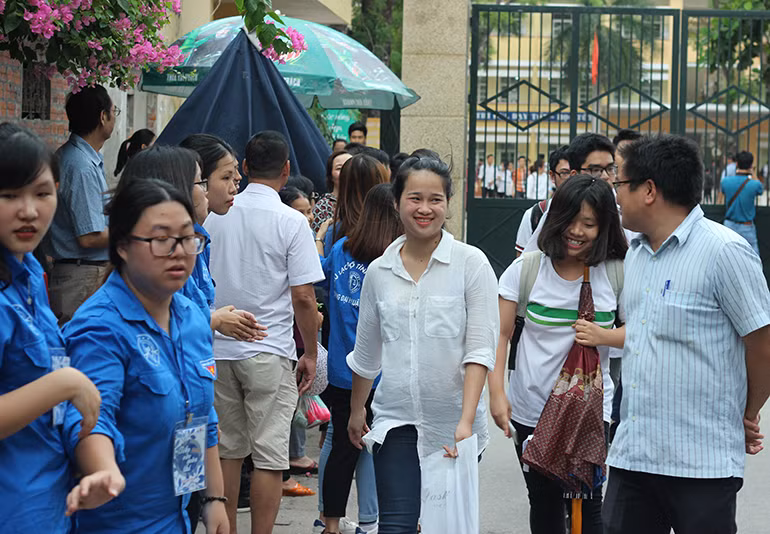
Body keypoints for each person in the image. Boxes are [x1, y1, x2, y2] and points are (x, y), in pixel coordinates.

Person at [605, 135, 770, 534]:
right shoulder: (637, 253)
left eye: (619, 185)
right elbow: (644, 336)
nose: (616, 196)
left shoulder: (724, 252)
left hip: (701, 465)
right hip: (634, 457)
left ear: (648, 190)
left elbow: (762, 344)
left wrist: (745, 412)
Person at [62, 178, 228, 533]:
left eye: (187, 238)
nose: (179, 251)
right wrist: (104, 470)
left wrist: (213, 499)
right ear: (122, 246)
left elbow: (201, 417)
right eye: (160, 240)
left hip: (177, 517)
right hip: (116, 522)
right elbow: (92, 419)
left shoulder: (189, 315)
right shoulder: (99, 330)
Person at [347, 156, 499, 533]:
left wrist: (465, 423)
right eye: (415, 198)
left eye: (436, 199)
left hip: (454, 426)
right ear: (397, 202)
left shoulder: (471, 264)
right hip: (396, 419)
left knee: (442, 526)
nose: (425, 209)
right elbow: (367, 353)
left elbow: (480, 350)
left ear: (448, 204)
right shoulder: (380, 272)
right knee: (395, 525)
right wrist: (355, 411)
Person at [0, 125, 122, 533]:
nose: (29, 211)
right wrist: (64, 384)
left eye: (42, 193)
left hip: (52, 504)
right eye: (9, 196)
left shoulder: (29, 270)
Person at [491, 175, 628, 534]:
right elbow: (500, 335)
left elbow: (644, 331)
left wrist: (605, 335)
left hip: (590, 412)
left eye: (589, 224)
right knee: (545, 501)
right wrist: (497, 394)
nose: (577, 231)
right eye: (570, 220)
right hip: (532, 408)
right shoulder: (527, 270)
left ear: (604, 227)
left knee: (588, 503)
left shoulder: (615, 272)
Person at [204, 130, 324, 534]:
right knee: (271, 455)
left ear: (244, 168)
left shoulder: (212, 215)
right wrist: (310, 351)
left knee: (227, 449)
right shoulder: (292, 221)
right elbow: (304, 297)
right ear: (286, 170)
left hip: (217, 346)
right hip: (269, 349)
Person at [316, 184, 401, 534]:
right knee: (383, 452)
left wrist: (320, 234)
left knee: (340, 450)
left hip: (342, 371)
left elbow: (317, 278)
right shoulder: (392, 262)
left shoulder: (340, 250)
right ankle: (378, 521)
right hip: (383, 374)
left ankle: (330, 525)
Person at [44, 85, 116, 325]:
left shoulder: (86, 159)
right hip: (81, 275)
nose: (114, 117)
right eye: (113, 111)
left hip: (86, 272)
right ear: (102, 117)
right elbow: (89, 237)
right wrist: (133, 230)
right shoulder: (80, 165)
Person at [522, 133, 617, 254]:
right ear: (574, 175)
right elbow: (530, 265)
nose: (605, 176)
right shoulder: (554, 214)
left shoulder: (626, 217)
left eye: (610, 169)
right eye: (596, 170)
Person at [318, 154, 389, 256]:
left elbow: (324, 270)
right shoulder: (398, 229)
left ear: (344, 186)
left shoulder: (332, 232)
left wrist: (319, 239)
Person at [515, 146, 569, 256]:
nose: (571, 179)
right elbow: (521, 263)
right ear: (553, 176)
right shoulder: (535, 215)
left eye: (575, 173)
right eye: (564, 173)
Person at [721, 150, 762, 256]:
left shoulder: (726, 182)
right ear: (751, 165)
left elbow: (722, 193)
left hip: (729, 225)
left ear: (737, 164)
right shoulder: (754, 184)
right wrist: (752, 173)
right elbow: (760, 189)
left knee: (727, 257)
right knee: (754, 259)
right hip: (747, 227)